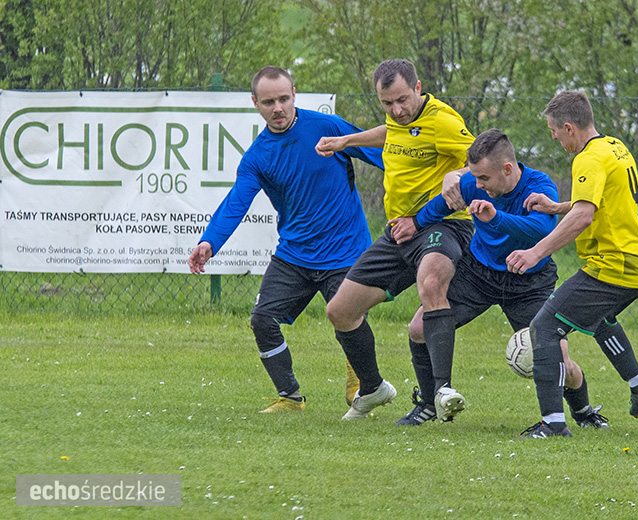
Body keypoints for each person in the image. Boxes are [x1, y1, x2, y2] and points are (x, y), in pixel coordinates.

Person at [188, 66, 383, 413]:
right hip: (294, 255)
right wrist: (209, 242)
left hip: (346, 251)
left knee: (348, 317)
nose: (277, 108)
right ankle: (290, 397)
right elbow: (236, 202)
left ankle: (364, 385)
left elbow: (383, 154)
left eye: (283, 99)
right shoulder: (257, 157)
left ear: (294, 94)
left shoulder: (327, 128)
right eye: (268, 102)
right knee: (262, 320)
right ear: (255, 103)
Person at [391, 128, 608, 429]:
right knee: (419, 328)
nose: (476, 184)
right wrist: (414, 222)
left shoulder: (539, 185)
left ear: (507, 169)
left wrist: (497, 218)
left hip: (530, 282)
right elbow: (442, 205)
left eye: (484, 179)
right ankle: (430, 402)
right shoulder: (472, 181)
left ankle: (583, 411)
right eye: (474, 177)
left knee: (560, 359)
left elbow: (542, 230)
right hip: (477, 274)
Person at [315, 59, 474, 420]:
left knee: (431, 280)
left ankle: (440, 392)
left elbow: (488, 160)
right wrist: (346, 141)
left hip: (443, 225)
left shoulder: (443, 120)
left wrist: (459, 173)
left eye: (402, 100)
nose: (396, 111)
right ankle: (372, 388)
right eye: (387, 104)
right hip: (398, 231)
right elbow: (391, 131)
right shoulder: (398, 118)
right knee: (340, 311)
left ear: (418, 87)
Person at [506, 90, 638, 438]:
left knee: (544, 327)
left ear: (568, 127)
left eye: (554, 131)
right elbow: (598, 202)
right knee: (597, 318)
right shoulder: (613, 147)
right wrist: (555, 206)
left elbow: (584, 216)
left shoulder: (588, 159)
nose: (554, 138)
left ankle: (553, 424)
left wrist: (536, 253)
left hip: (615, 265)